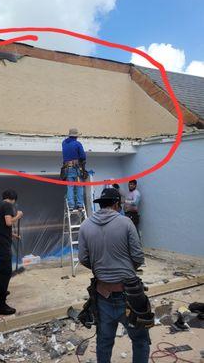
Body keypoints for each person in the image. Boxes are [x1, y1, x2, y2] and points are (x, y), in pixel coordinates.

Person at [78, 188, 150, 363]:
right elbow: (139, 257)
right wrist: (127, 270)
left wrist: (101, 269)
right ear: (117, 204)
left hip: (102, 295)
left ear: (101, 205)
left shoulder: (85, 225)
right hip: (130, 295)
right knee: (140, 340)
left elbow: (83, 259)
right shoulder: (126, 223)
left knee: (104, 341)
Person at [0, 189, 23, 315]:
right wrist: (18, 216)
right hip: (2, 243)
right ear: (13, 198)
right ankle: (0, 305)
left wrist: (13, 235)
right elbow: (9, 222)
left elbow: (2, 226)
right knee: (6, 271)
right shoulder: (8, 205)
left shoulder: (0, 206)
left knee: (2, 267)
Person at [62, 128, 87, 210]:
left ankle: (71, 205)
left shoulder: (64, 143)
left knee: (70, 187)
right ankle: (80, 205)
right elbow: (83, 156)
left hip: (67, 169)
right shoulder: (77, 144)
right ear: (76, 136)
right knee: (79, 186)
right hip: (77, 169)